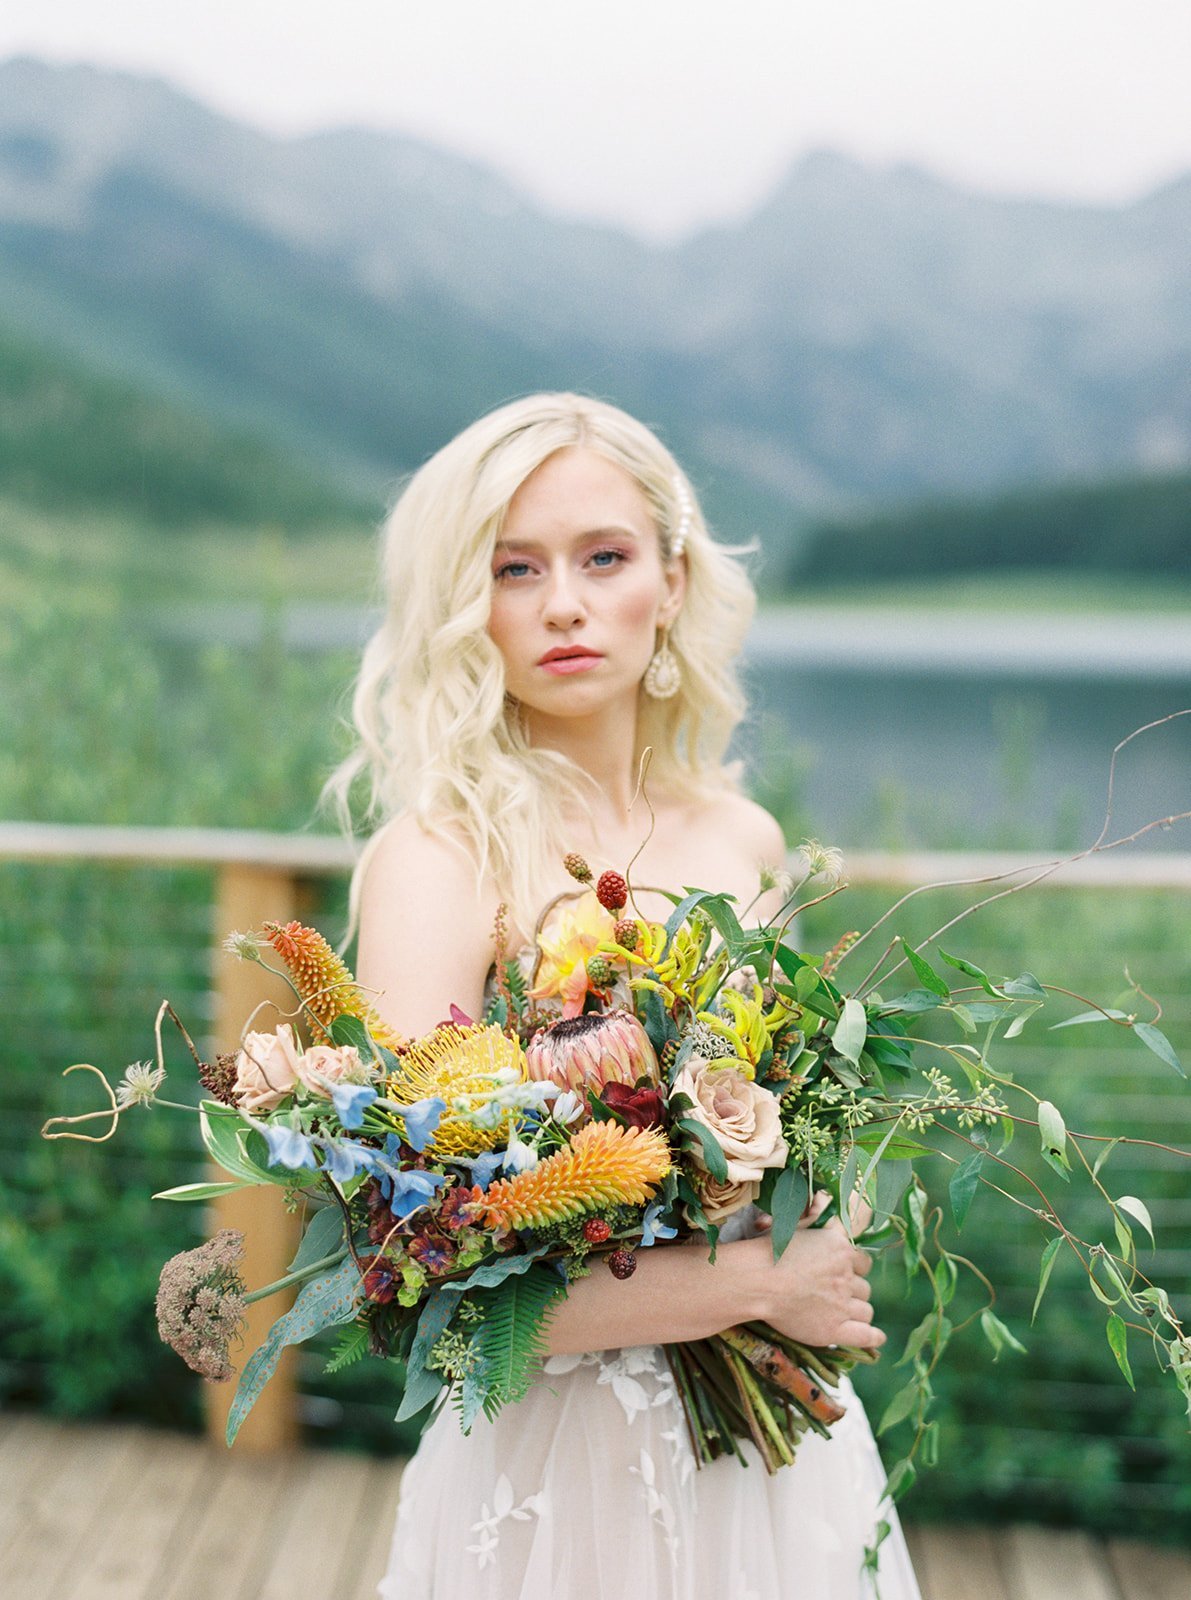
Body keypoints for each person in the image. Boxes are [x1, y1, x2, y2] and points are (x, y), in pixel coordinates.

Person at [330, 394, 922, 1599]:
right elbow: (426, 1293)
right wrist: (762, 1283)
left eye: (604, 557)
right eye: (514, 568)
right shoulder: (439, 863)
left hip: (774, 1461)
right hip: (552, 1476)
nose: (563, 603)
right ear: (464, 603)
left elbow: (801, 1133)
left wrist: (832, 1208)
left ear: (672, 575)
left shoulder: (743, 838)